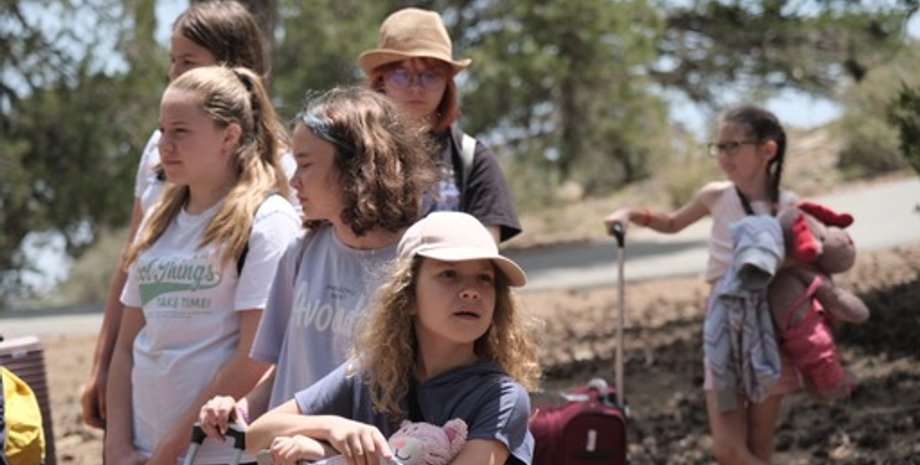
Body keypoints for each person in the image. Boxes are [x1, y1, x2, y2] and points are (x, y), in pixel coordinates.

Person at [81, 0, 290, 430]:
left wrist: (172, 448)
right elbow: (132, 263)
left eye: (188, 61)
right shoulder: (160, 162)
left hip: (211, 438)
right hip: (142, 422)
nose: (176, 73)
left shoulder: (277, 190)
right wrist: (101, 366)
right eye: (172, 61)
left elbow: (262, 346)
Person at [197, 86, 440, 441]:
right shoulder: (300, 253)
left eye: (307, 164)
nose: (294, 181)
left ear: (358, 165)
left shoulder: (417, 261)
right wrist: (242, 409)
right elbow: (281, 372)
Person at [104, 65, 301, 465]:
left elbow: (255, 357)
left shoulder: (268, 219)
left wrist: (172, 446)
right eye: (162, 130)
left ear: (229, 136)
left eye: (180, 131)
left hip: (214, 453)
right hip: (141, 449)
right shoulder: (159, 217)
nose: (164, 145)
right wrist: (117, 445)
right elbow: (125, 347)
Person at [246, 211, 541, 465]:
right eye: (449, 274)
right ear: (407, 297)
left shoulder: (502, 397)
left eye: (484, 278)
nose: (471, 291)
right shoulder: (371, 373)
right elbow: (257, 434)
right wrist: (333, 429)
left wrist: (326, 452)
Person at [602, 105, 798, 465]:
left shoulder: (787, 207)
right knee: (727, 450)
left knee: (760, 447)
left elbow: (804, 263)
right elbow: (673, 222)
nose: (723, 156)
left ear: (767, 150)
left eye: (733, 146)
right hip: (722, 331)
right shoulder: (715, 196)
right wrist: (630, 214)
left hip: (769, 335)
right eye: (718, 147)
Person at [359, 7, 521, 243]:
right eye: (401, 74)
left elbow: (484, 251)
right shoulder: (354, 152)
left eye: (430, 74)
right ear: (380, 80)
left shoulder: (472, 159)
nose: (415, 87)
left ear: (448, 83)